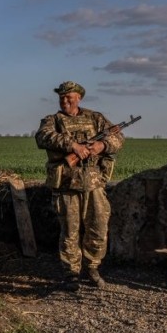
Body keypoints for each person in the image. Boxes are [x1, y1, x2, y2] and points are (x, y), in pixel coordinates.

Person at [35, 81, 124, 290]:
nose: (65, 100)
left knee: (98, 227)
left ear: (79, 98)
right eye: (62, 97)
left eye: (69, 97)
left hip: (94, 184)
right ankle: (71, 273)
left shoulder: (96, 118)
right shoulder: (53, 120)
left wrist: (102, 145)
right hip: (66, 184)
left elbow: (118, 137)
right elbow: (42, 137)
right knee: (70, 230)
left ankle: (92, 267)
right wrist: (73, 145)